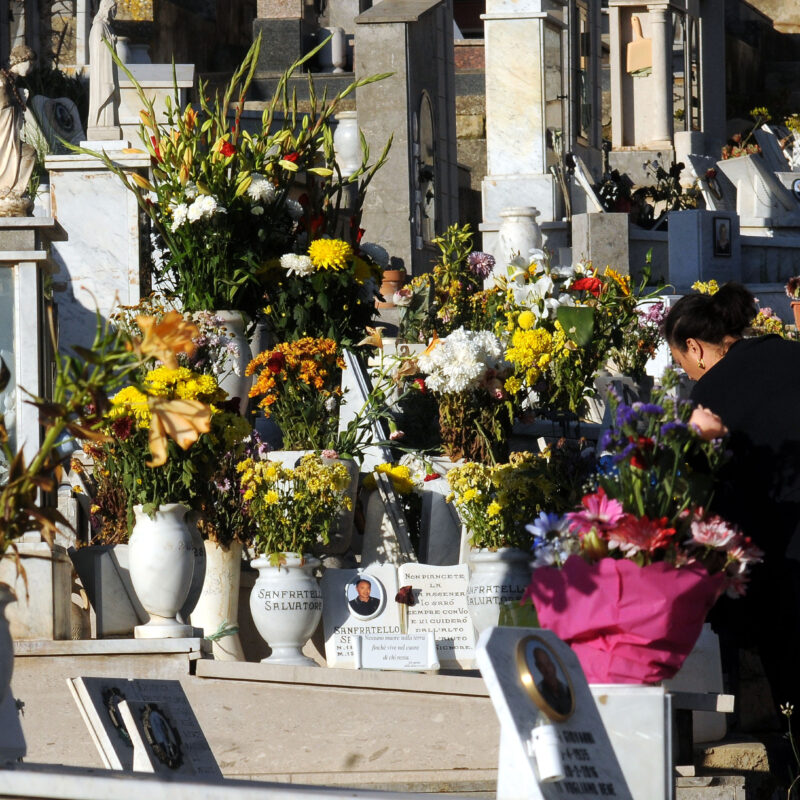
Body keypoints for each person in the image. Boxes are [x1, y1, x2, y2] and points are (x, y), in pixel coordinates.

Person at [664, 281, 800, 718]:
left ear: (694, 347)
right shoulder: (789, 353)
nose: (686, 374)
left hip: (783, 556)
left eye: (681, 363)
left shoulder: (710, 395)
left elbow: (711, 492)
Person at [0, 44, 36, 208]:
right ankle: (5, 188)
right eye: (30, 62)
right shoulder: (2, 80)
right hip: (3, 134)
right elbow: (4, 104)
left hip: (11, 134)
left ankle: (16, 190)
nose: (31, 68)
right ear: (21, 60)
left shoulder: (11, 81)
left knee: (29, 152)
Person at [88, 0, 119, 131]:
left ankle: (110, 124)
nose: (114, 12)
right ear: (106, 8)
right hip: (102, 73)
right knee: (104, 93)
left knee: (111, 103)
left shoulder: (108, 27)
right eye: (113, 9)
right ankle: (100, 124)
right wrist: (111, 42)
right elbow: (97, 50)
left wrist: (112, 41)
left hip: (109, 69)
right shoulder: (98, 26)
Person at [533, 647, 572, 716]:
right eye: (542, 666)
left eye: (548, 664)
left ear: (553, 666)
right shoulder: (538, 693)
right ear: (538, 668)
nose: (547, 670)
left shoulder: (567, 690)